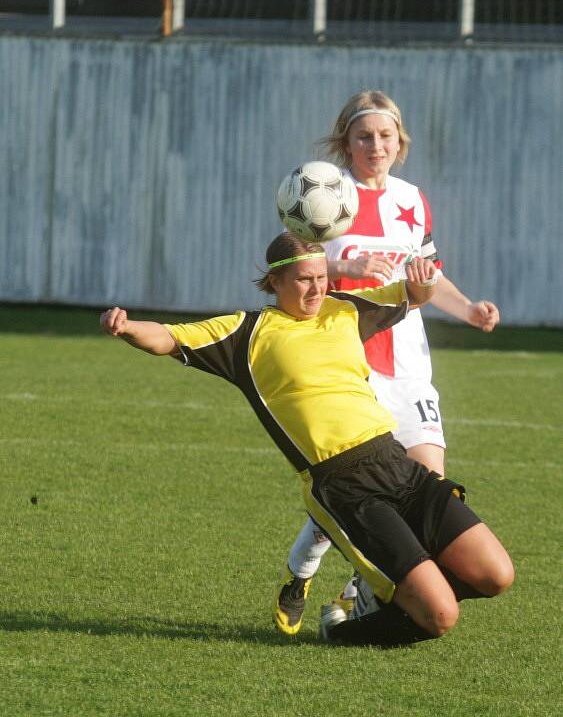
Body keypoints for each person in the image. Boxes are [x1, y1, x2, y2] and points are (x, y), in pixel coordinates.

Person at [100, 232, 514, 646]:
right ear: (275, 282)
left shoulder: (346, 309)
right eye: (303, 280)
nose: (316, 288)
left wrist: (423, 281)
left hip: (397, 462)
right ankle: (341, 632)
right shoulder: (246, 335)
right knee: (441, 616)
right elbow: (170, 337)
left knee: (497, 574)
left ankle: (395, 595)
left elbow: (411, 294)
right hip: (344, 486)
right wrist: (126, 326)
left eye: (321, 277)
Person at [273, 90, 502, 636]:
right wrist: (347, 259)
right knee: (358, 490)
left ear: (400, 141)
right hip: (352, 360)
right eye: (364, 136)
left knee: (425, 490)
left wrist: (467, 307)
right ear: (346, 143)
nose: (376, 145)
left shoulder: (413, 199)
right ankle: (301, 572)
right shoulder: (329, 192)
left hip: (409, 363)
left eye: (386, 135)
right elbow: (292, 255)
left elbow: (428, 270)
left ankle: (361, 599)